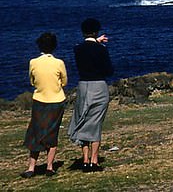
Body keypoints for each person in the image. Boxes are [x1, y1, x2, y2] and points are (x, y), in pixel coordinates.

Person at [68, 18, 113, 173]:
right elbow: (109, 70)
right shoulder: (101, 49)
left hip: (83, 86)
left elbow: (86, 46)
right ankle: (94, 160)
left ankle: (85, 159)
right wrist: (98, 43)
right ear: (96, 32)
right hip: (98, 86)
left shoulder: (77, 49)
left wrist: (95, 41)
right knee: (95, 123)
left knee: (83, 120)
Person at [21, 32, 68, 178]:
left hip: (40, 100)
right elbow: (65, 81)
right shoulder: (59, 63)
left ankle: (31, 167)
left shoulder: (33, 62)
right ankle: (49, 166)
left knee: (35, 133)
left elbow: (32, 81)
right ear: (54, 46)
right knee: (52, 133)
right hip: (57, 100)